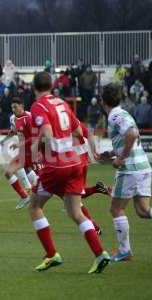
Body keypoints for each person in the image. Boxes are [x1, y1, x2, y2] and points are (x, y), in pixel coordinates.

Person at [28, 71, 109, 273]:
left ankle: (51, 254)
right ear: (52, 86)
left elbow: (46, 133)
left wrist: (37, 148)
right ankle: (100, 254)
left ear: (34, 87)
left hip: (57, 164)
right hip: (74, 163)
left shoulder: (39, 106)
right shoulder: (62, 103)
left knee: (35, 206)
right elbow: (79, 131)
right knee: (75, 211)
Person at [99, 83, 152, 262]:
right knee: (143, 211)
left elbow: (131, 133)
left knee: (116, 208)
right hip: (143, 166)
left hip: (130, 169)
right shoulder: (121, 113)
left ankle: (124, 251)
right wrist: (112, 153)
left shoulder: (115, 115)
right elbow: (128, 136)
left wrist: (120, 158)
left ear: (102, 101)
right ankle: (125, 251)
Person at [0, 98, 38, 209]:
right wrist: (5, 139)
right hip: (23, 152)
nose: (13, 109)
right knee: (9, 172)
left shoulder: (29, 118)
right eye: (12, 107)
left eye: (15, 107)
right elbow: (14, 131)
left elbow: (34, 138)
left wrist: (19, 145)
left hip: (32, 152)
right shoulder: (13, 118)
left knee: (43, 180)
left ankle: (27, 194)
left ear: (22, 106)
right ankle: (26, 195)